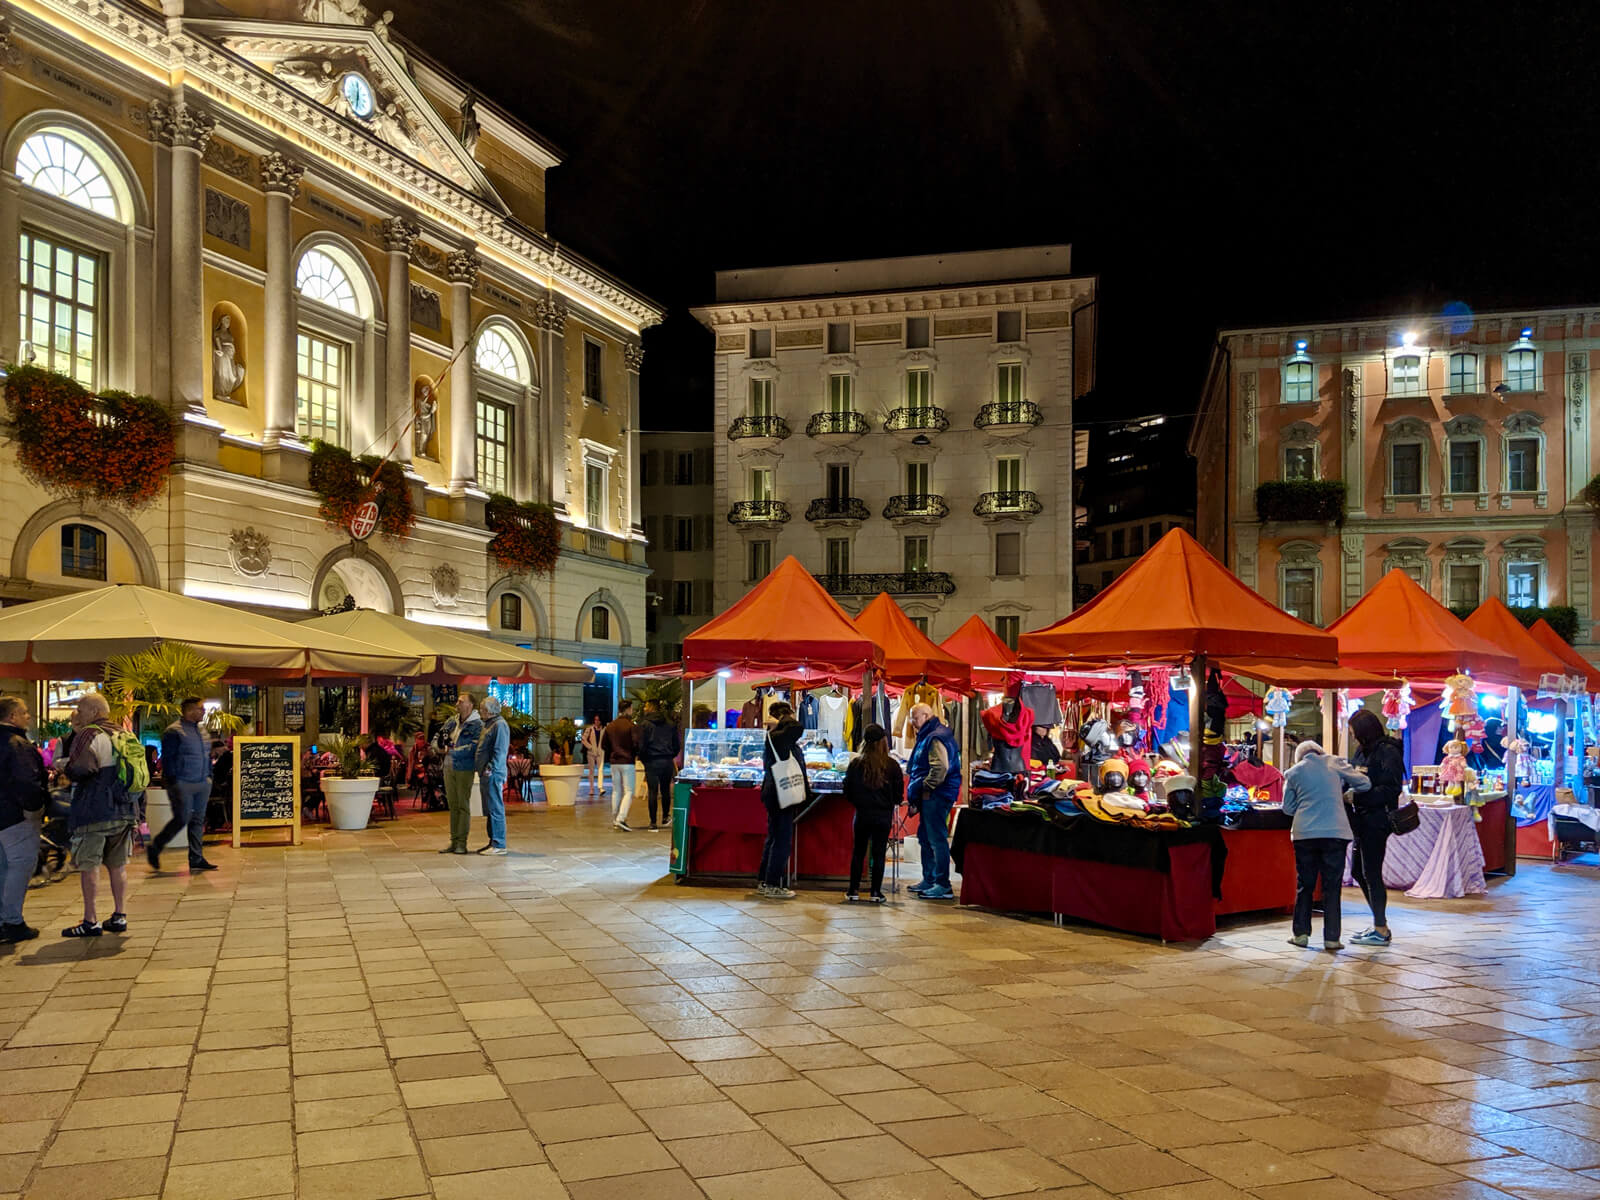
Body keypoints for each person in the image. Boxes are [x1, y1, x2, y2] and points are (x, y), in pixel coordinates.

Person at [1282, 740, 1369, 951]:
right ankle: (1331, 938)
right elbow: (1365, 783)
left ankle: (1301, 934)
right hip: (1335, 833)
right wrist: (1346, 793)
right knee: (1332, 886)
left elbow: (1287, 808)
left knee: (1305, 885)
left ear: (1299, 757)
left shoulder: (1293, 773)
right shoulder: (1334, 763)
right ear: (1320, 752)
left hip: (1304, 834)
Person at [61, 693, 136, 937]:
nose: (78, 714)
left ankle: (90, 920)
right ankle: (119, 915)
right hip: (124, 810)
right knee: (118, 865)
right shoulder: (124, 733)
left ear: (94, 712)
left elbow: (83, 769)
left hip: (94, 810)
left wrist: (65, 766)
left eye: (80, 709)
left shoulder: (89, 733)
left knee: (89, 865)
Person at [1347, 709, 1404, 947]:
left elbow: (1391, 789)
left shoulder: (1387, 752)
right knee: (1359, 872)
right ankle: (1379, 924)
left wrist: (1358, 798)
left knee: (1371, 872)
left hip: (1377, 820)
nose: (1351, 737)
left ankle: (1381, 928)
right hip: (1361, 820)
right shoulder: (1362, 750)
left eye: (1353, 732)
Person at [149, 697, 217, 873]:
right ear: (189, 711)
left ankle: (196, 857)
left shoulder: (202, 731)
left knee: (198, 820)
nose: (203, 712)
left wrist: (209, 776)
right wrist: (173, 781)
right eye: (200, 709)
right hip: (183, 782)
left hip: (202, 782)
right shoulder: (174, 731)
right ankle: (155, 847)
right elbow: (168, 759)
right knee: (182, 818)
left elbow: (206, 755)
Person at [0, 695, 48, 943]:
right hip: (14, 817)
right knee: (19, 866)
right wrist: (35, 808)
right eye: (24, 712)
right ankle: (12, 921)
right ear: (12, 717)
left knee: (3, 868)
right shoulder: (17, 744)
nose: (28, 716)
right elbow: (26, 782)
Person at [843, 724, 902, 903]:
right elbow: (898, 796)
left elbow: (848, 790)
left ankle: (853, 889)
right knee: (879, 854)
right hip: (883, 816)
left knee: (858, 852)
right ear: (883, 742)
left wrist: (859, 803)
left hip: (862, 814)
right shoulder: (892, 766)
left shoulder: (856, 764)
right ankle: (876, 892)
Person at [907, 703, 961, 900]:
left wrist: (927, 786)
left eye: (915, 717)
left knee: (937, 839)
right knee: (925, 837)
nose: (912, 721)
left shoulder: (936, 736)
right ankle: (929, 879)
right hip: (931, 795)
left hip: (937, 795)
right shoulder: (928, 735)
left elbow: (940, 767)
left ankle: (942, 884)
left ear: (926, 715)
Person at [757, 701, 808, 899]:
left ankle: (764, 880)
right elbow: (797, 727)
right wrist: (784, 717)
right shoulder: (778, 736)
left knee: (774, 837)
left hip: (774, 792)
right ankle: (772, 884)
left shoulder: (776, 737)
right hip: (780, 794)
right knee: (782, 840)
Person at [439, 694, 482, 855]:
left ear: (470, 705)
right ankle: (454, 840)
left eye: (461, 701)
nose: (457, 703)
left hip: (464, 767)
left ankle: (461, 843)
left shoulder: (477, 724)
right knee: (453, 804)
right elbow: (438, 737)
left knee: (463, 804)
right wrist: (441, 748)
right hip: (448, 765)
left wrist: (454, 751)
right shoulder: (452, 721)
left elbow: (474, 746)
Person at [636, 699, 681, 832]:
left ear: (650, 707)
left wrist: (643, 758)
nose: (644, 708)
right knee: (665, 790)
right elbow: (676, 745)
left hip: (651, 761)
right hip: (666, 760)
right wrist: (670, 755)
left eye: (645, 706)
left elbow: (642, 745)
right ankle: (666, 816)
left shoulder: (645, 724)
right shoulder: (670, 724)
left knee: (652, 791)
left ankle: (653, 822)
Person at [474, 696, 510, 855]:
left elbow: (500, 750)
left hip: (493, 773)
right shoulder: (489, 724)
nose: (481, 712)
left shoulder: (499, 725)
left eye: (482, 709)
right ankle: (493, 841)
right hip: (486, 773)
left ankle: (499, 844)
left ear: (489, 710)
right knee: (490, 807)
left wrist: (490, 768)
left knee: (495, 807)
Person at [601, 701, 637, 832]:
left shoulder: (610, 726)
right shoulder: (631, 725)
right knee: (629, 791)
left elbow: (604, 745)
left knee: (616, 790)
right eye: (631, 708)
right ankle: (621, 818)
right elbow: (636, 743)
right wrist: (634, 754)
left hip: (614, 761)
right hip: (628, 761)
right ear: (628, 709)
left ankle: (615, 817)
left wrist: (612, 753)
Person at [581, 713, 605, 798]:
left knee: (600, 770)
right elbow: (583, 739)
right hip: (591, 752)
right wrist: (590, 747)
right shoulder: (589, 729)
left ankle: (600, 787)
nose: (596, 721)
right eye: (595, 720)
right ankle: (591, 788)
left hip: (600, 752)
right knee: (591, 770)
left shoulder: (604, 729)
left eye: (598, 720)